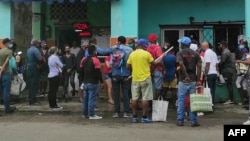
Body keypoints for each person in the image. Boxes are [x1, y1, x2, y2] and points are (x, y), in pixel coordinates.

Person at [176, 36, 202, 127]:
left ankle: (180, 120)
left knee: (181, 100)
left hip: (183, 80)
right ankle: (193, 121)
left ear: (182, 45)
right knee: (193, 101)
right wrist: (198, 80)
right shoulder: (195, 54)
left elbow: (181, 64)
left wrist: (186, 76)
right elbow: (199, 67)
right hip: (193, 80)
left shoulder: (180, 53)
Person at [80, 44, 104, 120]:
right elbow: (98, 72)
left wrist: (82, 81)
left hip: (85, 82)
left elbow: (81, 71)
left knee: (85, 99)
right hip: (93, 82)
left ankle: (85, 114)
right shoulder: (95, 60)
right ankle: (92, 114)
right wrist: (101, 82)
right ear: (94, 52)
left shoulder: (83, 59)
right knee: (91, 99)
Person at [0, 38, 16, 113]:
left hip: (1, 72)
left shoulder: (0, 51)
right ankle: (7, 108)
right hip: (6, 73)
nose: (10, 44)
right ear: (7, 43)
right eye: (9, 43)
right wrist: (2, 69)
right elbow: (6, 62)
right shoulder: (9, 51)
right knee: (6, 91)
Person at [147, 33, 164, 100]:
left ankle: (150, 103)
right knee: (158, 87)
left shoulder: (147, 48)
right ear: (155, 40)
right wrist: (164, 68)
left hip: (149, 69)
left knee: (150, 87)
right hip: (157, 69)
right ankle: (156, 102)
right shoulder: (157, 47)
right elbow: (159, 60)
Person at [201, 42, 219, 106]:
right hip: (214, 73)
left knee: (209, 89)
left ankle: (210, 103)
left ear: (204, 46)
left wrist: (205, 74)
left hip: (210, 73)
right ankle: (213, 102)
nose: (201, 48)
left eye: (202, 46)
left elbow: (207, 64)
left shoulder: (207, 53)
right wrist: (216, 72)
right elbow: (217, 64)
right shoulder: (214, 53)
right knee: (213, 89)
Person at [26, 39, 43, 105]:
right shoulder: (35, 50)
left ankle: (30, 97)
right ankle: (33, 100)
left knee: (31, 83)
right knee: (35, 83)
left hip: (29, 67)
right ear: (37, 44)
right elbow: (40, 58)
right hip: (34, 67)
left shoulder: (29, 50)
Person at [47, 46, 64, 110]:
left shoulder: (49, 57)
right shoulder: (55, 57)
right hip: (55, 75)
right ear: (55, 51)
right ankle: (54, 105)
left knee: (51, 91)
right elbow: (61, 65)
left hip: (50, 75)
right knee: (54, 91)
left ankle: (51, 105)